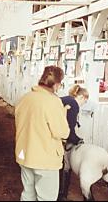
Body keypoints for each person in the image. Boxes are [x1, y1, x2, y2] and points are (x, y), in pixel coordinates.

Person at [15, 65, 70, 201]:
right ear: (57, 85)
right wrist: (63, 114)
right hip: (45, 158)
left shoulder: (25, 98)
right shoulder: (53, 102)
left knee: (28, 194)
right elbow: (62, 132)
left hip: (24, 154)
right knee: (46, 197)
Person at [58, 85, 89, 200]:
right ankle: (61, 194)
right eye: (84, 102)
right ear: (81, 97)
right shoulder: (74, 105)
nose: (83, 105)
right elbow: (69, 129)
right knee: (65, 164)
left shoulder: (65, 99)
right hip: (57, 136)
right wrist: (78, 140)